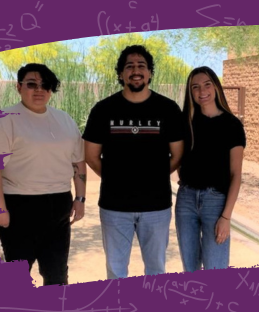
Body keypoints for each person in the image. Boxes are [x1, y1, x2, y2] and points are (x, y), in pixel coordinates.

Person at [0, 63, 86, 285]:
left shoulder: (64, 119)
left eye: (45, 85)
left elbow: (78, 161)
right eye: (32, 84)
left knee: (56, 275)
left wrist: (80, 198)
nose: (39, 90)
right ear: (18, 87)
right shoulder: (3, 119)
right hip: (18, 207)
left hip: (59, 205)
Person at [82, 45, 184, 279]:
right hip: (114, 206)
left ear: (149, 73)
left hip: (156, 207)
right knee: (116, 272)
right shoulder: (103, 110)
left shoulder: (168, 109)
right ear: (120, 74)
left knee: (156, 270)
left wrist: (156, 176)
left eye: (141, 66)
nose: (135, 71)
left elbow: (177, 155)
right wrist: (114, 178)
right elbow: (91, 156)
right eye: (129, 66)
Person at [175, 66, 246, 272]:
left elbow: (236, 174)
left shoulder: (232, 125)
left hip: (216, 203)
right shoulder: (185, 122)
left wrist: (226, 217)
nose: (201, 91)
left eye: (207, 84)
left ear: (216, 87)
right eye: (195, 87)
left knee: (216, 267)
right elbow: (178, 159)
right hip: (186, 201)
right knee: (190, 268)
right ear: (190, 92)